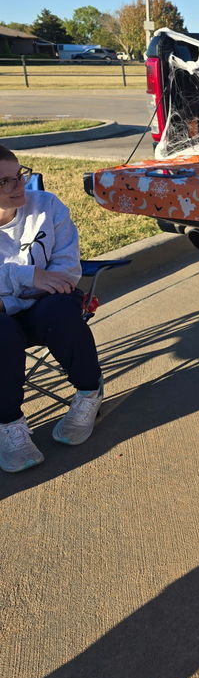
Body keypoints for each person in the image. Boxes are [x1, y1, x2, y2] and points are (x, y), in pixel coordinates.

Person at [0, 144, 103, 473]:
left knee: (61, 310)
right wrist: (32, 276)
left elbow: (67, 273)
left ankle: (89, 394)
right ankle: (9, 425)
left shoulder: (48, 207)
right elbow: (45, 278)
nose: (20, 187)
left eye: (19, 176)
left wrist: (10, 296)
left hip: (45, 308)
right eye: (5, 182)